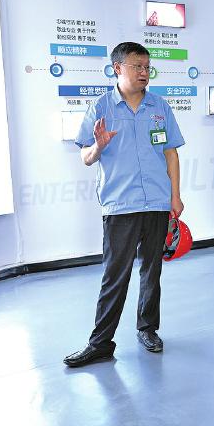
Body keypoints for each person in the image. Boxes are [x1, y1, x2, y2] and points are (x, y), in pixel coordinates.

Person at [64, 42, 185, 368]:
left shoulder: (160, 107)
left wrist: (175, 195)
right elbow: (86, 157)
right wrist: (98, 146)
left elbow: (171, 153)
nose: (144, 73)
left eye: (147, 67)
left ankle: (148, 329)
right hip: (120, 205)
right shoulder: (101, 107)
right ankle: (101, 343)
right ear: (117, 68)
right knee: (115, 276)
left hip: (157, 202)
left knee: (152, 271)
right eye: (137, 67)